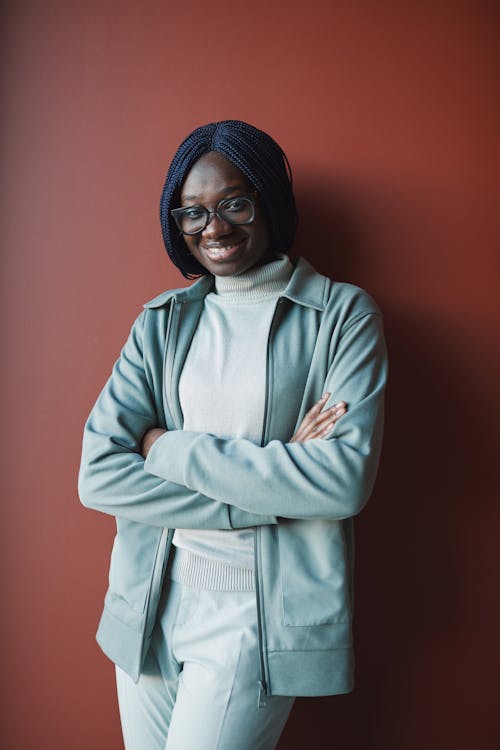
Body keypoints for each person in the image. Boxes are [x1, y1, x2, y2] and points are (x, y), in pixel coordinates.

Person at [78, 120, 387, 750]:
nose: (214, 228)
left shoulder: (342, 319)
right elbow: (99, 474)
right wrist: (276, 482)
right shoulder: (160, 324)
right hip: (149, 610)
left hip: (257, 619)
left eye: (234, 204)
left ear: (270, 200)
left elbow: (341, 481)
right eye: (192, 213)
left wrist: (166, 448)